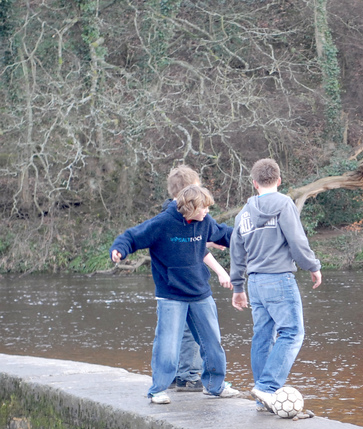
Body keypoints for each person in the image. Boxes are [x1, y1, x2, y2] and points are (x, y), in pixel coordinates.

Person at [111, 183, 241, 403]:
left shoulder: (205, 222)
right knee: (168, 345)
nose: (207, 212)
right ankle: (158, 390)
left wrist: (247, 238)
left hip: (200, 292)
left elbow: (225, 234)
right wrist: (119, 250)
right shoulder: (162, 223)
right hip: (171, 294)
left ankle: (214, 386)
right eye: (203, 208)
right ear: (189, 208)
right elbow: (132, 236)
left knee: (212, 344)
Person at [230, 158, 322, 410]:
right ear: (279, 180)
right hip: (279, 279)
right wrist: (312, 265)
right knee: (292, 332)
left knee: (262, 336)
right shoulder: (284, 204)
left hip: (255, 282)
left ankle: (263, 401)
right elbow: (297, 241)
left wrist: (238, 287)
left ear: (254, 183)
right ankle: (267, 387)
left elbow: (236, 254)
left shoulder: (242, 214)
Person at [162, 166, 233, 392]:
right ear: (189, 190)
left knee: (176, 330)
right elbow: (190, 247)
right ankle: (190, 375)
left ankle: (174, 374)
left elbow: (192, 242)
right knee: (194, 332)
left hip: (171, 282)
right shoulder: (178, 213)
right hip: (187, 284)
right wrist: (221, 271)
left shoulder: (169, 211)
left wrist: (208, 241)